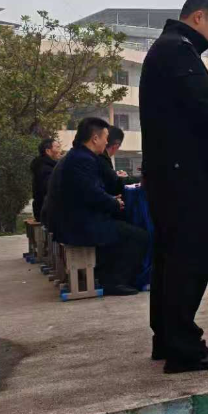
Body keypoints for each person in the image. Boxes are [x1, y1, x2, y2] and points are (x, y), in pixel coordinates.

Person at [139, 0, 208, 374]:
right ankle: (184, 349)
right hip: (181, 174)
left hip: (170, 171)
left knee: (170, 259)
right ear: (198, 17)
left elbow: (187, 113)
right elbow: (203, 108)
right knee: (189, 257)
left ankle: (167, 339)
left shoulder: (169, 48)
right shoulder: (177, 50)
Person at [55, 117, 148, 296]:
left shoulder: (80, 156)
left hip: (78, 219)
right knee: (139, 235)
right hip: (80, 224)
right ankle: (116, 281)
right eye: (105, 137)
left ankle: (107, 275)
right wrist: (113, 202)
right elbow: (91, 193)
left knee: (123, 227)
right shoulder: (83, 160)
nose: (107, 142)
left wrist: (110, 199)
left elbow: (93, 190)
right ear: (95, 138)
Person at [30, 137, 61, 222]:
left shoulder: (47, 166)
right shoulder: (45, 168)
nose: (60, 150)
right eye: (57, 147)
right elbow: (51, 189)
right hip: (47, 213)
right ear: (48, 151)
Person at [98, 125, 127, 196]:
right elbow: (115, 188)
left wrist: (115, 175)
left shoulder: (97, 157)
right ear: (116, 146)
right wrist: (121, 178)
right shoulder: (102, 159)